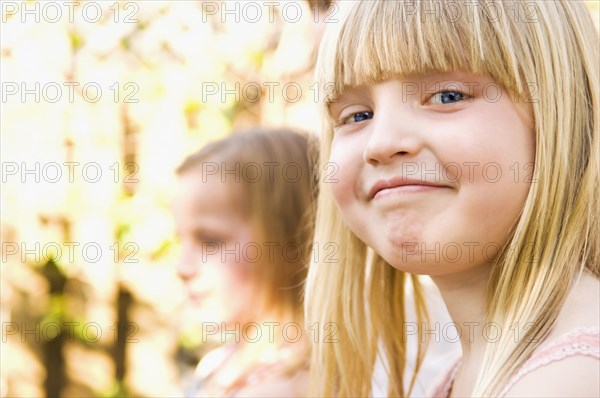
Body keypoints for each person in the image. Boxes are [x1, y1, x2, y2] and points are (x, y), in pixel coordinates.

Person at [305, 0, 599, 396]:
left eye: (446, 96)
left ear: (559, 114)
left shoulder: (571, 379)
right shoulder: (464, 374)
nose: (382, 143)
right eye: (357, 116)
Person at [172, 128, 318, 397]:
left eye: (210, 241)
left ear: (292, 240)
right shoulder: (221, 364)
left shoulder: (286, 387)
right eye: (181, 238)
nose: (182, 268)